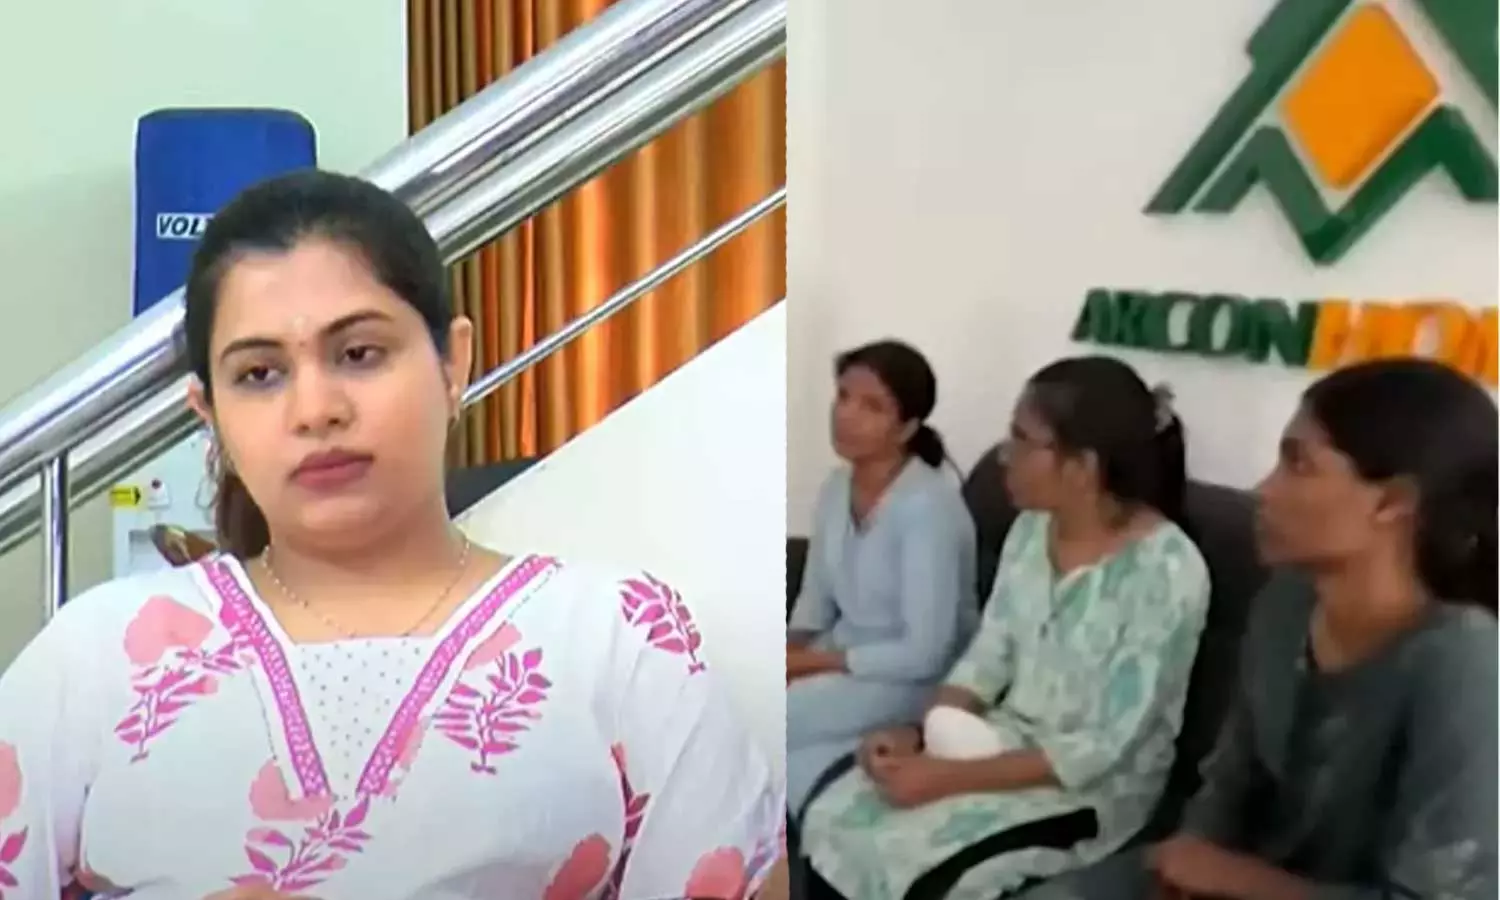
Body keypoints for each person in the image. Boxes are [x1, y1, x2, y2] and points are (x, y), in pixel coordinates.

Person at [0, 170, 781, 899]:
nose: (316, 410)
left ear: (453, 362)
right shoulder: (96, 657)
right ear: (211, 415)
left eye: (359, 354)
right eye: (260, 375)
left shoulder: (618, 637)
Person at [1028, 358, 1498, 900]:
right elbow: (1231, 779)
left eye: (1298, 464)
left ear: (1393, 502)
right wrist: (1188, 865)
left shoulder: (1466, 662)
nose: (1263, 489)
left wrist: (1231, 877)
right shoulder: (1286, 600)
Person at [798, 355, 1211, 900]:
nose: (1002, 456)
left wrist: (946, 778)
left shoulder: (1168, 570)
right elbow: (987, 656)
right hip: (996, 742)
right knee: (834, 816)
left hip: (1087, 789)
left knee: (921, 869)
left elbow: (1102, 746)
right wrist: (917, 733)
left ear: (1082, 466)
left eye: (1021, 439)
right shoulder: (1030, 531)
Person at [785, 340, 978, 817]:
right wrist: (786, 653)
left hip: (914, 679)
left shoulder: (928, 508)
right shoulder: (836, 488)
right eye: (843, 396)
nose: (846, 415)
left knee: (763, 717)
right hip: (842, 657)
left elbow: (925, 651)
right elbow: (815, 599)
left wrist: (810, 664)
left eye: (871, 407)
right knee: (744, 689)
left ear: (907, 428)